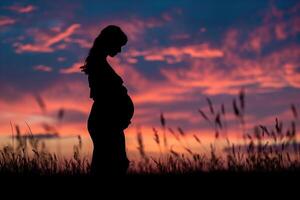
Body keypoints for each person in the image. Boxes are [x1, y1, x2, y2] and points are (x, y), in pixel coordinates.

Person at [81, 25, 134, 175]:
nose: (120, 50)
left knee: (113, 163)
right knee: (109, 165)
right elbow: (102, 96)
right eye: (119, 45)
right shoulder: (98, 64)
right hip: (105, 121)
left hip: (109, 121)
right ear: (110, 41)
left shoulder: (100, 63)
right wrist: (118, 113)